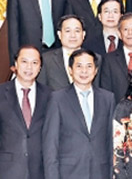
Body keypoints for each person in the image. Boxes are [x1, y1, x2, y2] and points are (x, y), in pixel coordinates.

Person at [43, 49, 115, 179]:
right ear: (70, 70)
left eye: (89, 66)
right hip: (69, 173)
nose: (84, 71)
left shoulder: (107, 99)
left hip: (100, 172)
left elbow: (110, 141)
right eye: (79, 66)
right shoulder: (57, 99)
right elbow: (50, 146)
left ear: (96, 70)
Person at [0, 45, 51, 178]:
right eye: (24, 62)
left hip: (40, 171)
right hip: (7, 171)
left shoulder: (50, 96)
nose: (29, 67)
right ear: (16, 64)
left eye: (34, 63)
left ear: (40, 67)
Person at [37, 14, 101, 90]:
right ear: (59, 34)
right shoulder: (46, 59)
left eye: (77, 31)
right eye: (68, 31)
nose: (72, 35)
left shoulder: (96, 58)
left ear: (83, 34)